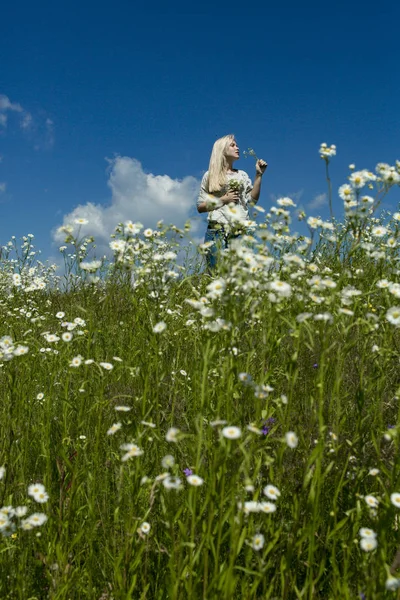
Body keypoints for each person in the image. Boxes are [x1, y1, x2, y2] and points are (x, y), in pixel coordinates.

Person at [196, 134, 267, 271]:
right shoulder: (209, 176)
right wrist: (223, 200)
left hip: (238, 231)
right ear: (222, 150)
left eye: (237, 145)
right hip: (216, 231)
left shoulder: (242, 175)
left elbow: (252, 201)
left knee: (239, 276)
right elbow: (200, 207)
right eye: (233, 145)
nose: (237, 147)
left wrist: (259, 175)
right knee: (216, 274)